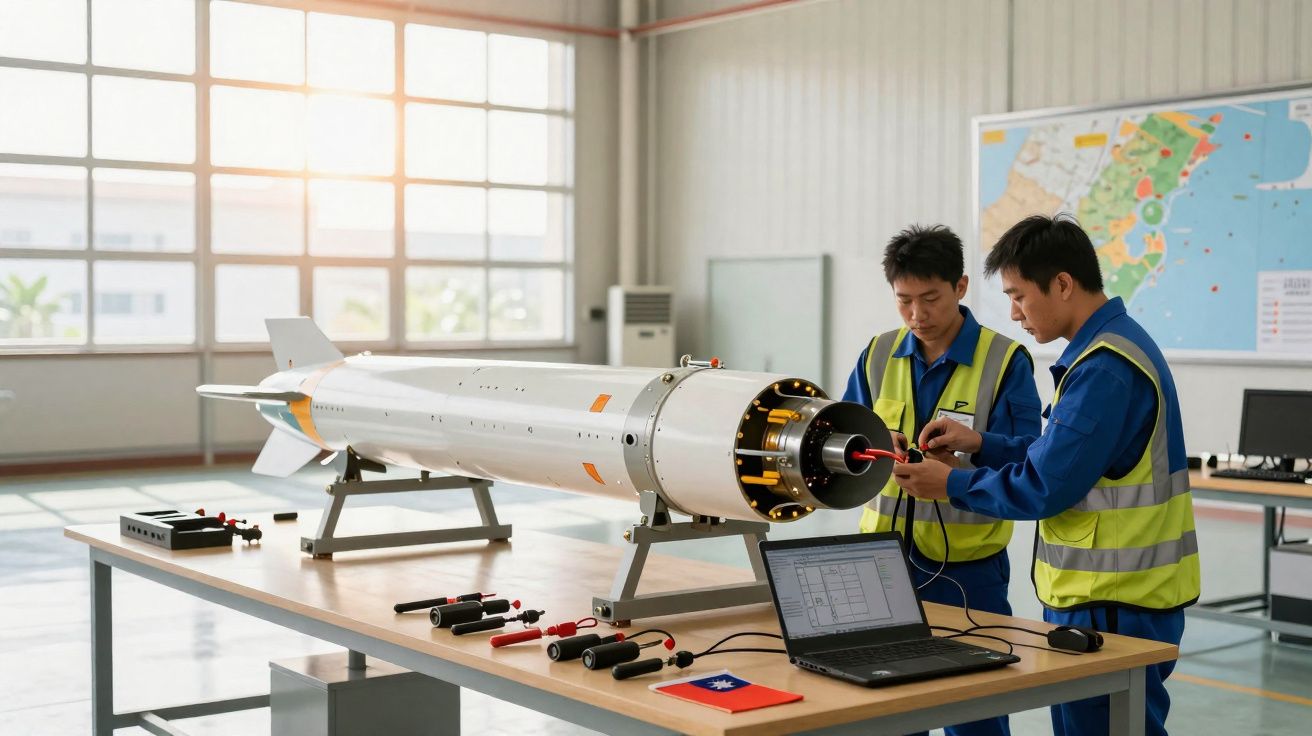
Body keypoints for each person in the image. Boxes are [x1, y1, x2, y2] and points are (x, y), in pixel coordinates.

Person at [893, 214, 1199, 736]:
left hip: (1112, 602)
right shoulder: (1104, 351)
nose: (1014, 314)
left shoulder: (1104, 369)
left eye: (1018, 296)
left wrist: (950, 484)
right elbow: (1062, 455)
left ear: (1062, 284)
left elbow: (1045, 486)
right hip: (1110, 597)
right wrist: (981, 444)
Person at [843, 224, 1041, 736]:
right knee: (891, 711)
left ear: (960, 286)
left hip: (970, 571)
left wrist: (965, 460)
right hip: (884, 565)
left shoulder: (1005, 362)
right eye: (904, 301)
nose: (917, 315)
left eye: (930, 298)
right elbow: (837, 442)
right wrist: (871, 445)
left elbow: (1029, 459)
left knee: (975, 713)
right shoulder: (877, 355)